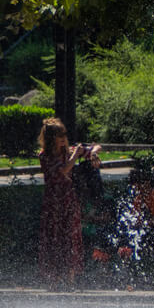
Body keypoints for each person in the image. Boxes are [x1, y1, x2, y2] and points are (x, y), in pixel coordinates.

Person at [38, 117, 91, 289]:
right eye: (59, 135)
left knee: (71, 237)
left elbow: (93, 148)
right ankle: (54, 279)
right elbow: (63, 171)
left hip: (68, 200)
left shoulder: (67, 152)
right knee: (54, 238)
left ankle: (70, 280)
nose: (63, 138)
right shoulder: (44, 156)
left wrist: (93, 152)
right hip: (54, 202)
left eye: (64, 134)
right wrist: (76, 154)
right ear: (51, 138)